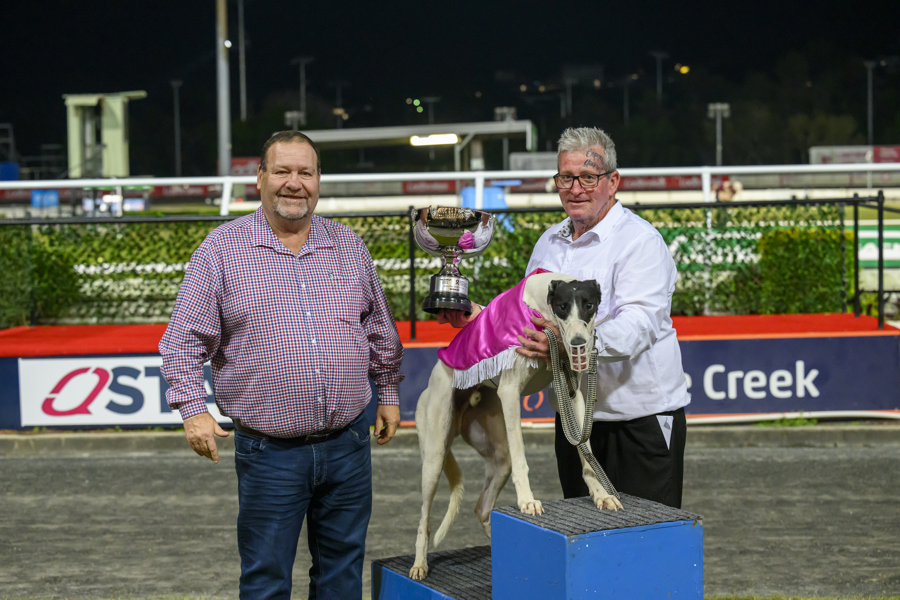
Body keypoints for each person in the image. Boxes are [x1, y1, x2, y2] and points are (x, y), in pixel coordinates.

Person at [159, 130, 404, 600]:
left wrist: (388, 392)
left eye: (305, 173)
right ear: (260, 178)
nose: (295, 183)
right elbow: (182, 341)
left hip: (349, 445)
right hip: (269, 454)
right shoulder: (221, 250)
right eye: (283, 171)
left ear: (319, 181)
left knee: (341, 576)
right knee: (266, 581)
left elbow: (378, 327)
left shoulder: (348, 245)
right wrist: (193, 410)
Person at [438, 126, 690, 509]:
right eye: (566, 177)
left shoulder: (640, 241)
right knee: (583, 538)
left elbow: (640, 326)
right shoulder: (548, 243)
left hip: (639, 421)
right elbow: (524, 320)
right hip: (574, 424)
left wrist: (563, 344)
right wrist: (478, 318)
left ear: (612, 182)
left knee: (646, 540)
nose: (575, 189)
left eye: (588, 177)